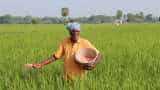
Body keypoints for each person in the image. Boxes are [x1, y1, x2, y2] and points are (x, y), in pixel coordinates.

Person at [31, 21, 101, 80]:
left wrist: (94, 65)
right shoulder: (65, 42)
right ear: (70, 32)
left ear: (79, 32)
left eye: (77, 31)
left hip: (81, 78)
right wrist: (41, 64)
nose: (76, 34)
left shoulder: (85, 42)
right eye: (73, 31)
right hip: (66, 77)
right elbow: (55, 56)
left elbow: (99, 54)